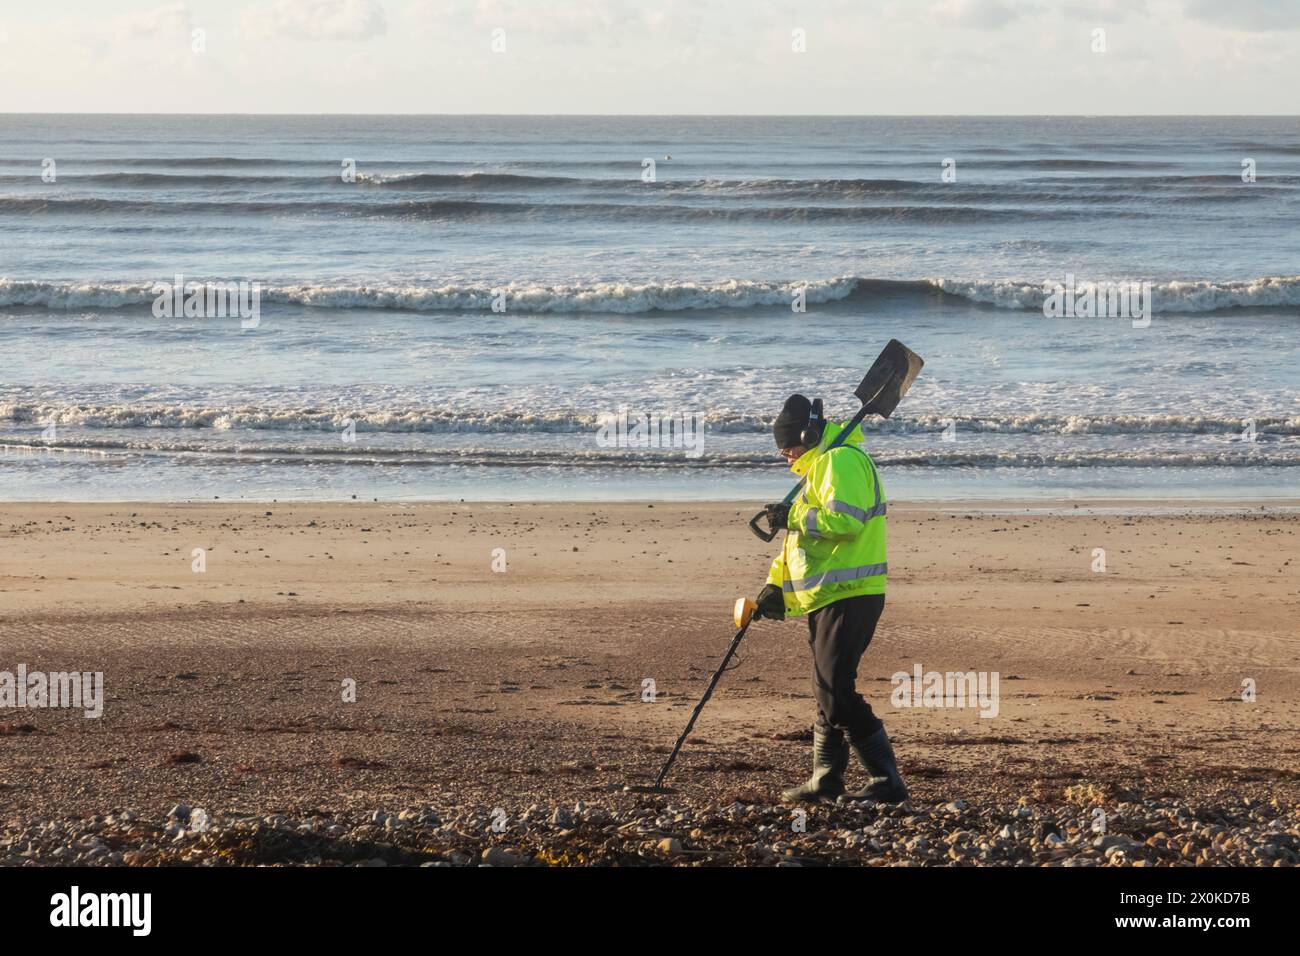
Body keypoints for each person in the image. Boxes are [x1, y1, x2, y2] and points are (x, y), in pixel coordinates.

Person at [755, 393, 909, 804]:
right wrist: (775, 586)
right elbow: (799, 545)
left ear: (808, 435)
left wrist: (793, 516)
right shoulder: (819, 466)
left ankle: (886, 781)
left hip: (852, 593)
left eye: (787, 447)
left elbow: (846, 521)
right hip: (826, 594)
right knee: (825, 688)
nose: (785, 456)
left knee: (838, 691)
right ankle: (826, 778)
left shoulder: (840, 461)